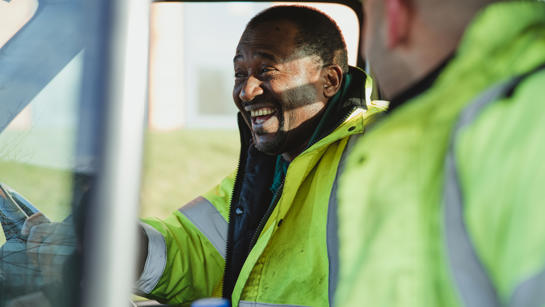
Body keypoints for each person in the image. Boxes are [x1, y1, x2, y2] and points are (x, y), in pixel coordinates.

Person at [135, 5, 384, 307]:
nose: (246, 91)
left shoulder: (377, 148)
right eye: (240, 74)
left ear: (329, 81)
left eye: (266, 70)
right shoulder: (268, 168)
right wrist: (123, 244)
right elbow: (195, 251)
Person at [335, 0, 545, 306]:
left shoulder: (524, 120)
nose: (366, 46)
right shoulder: (504, 118)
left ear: (395, 18)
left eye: (366, 18)